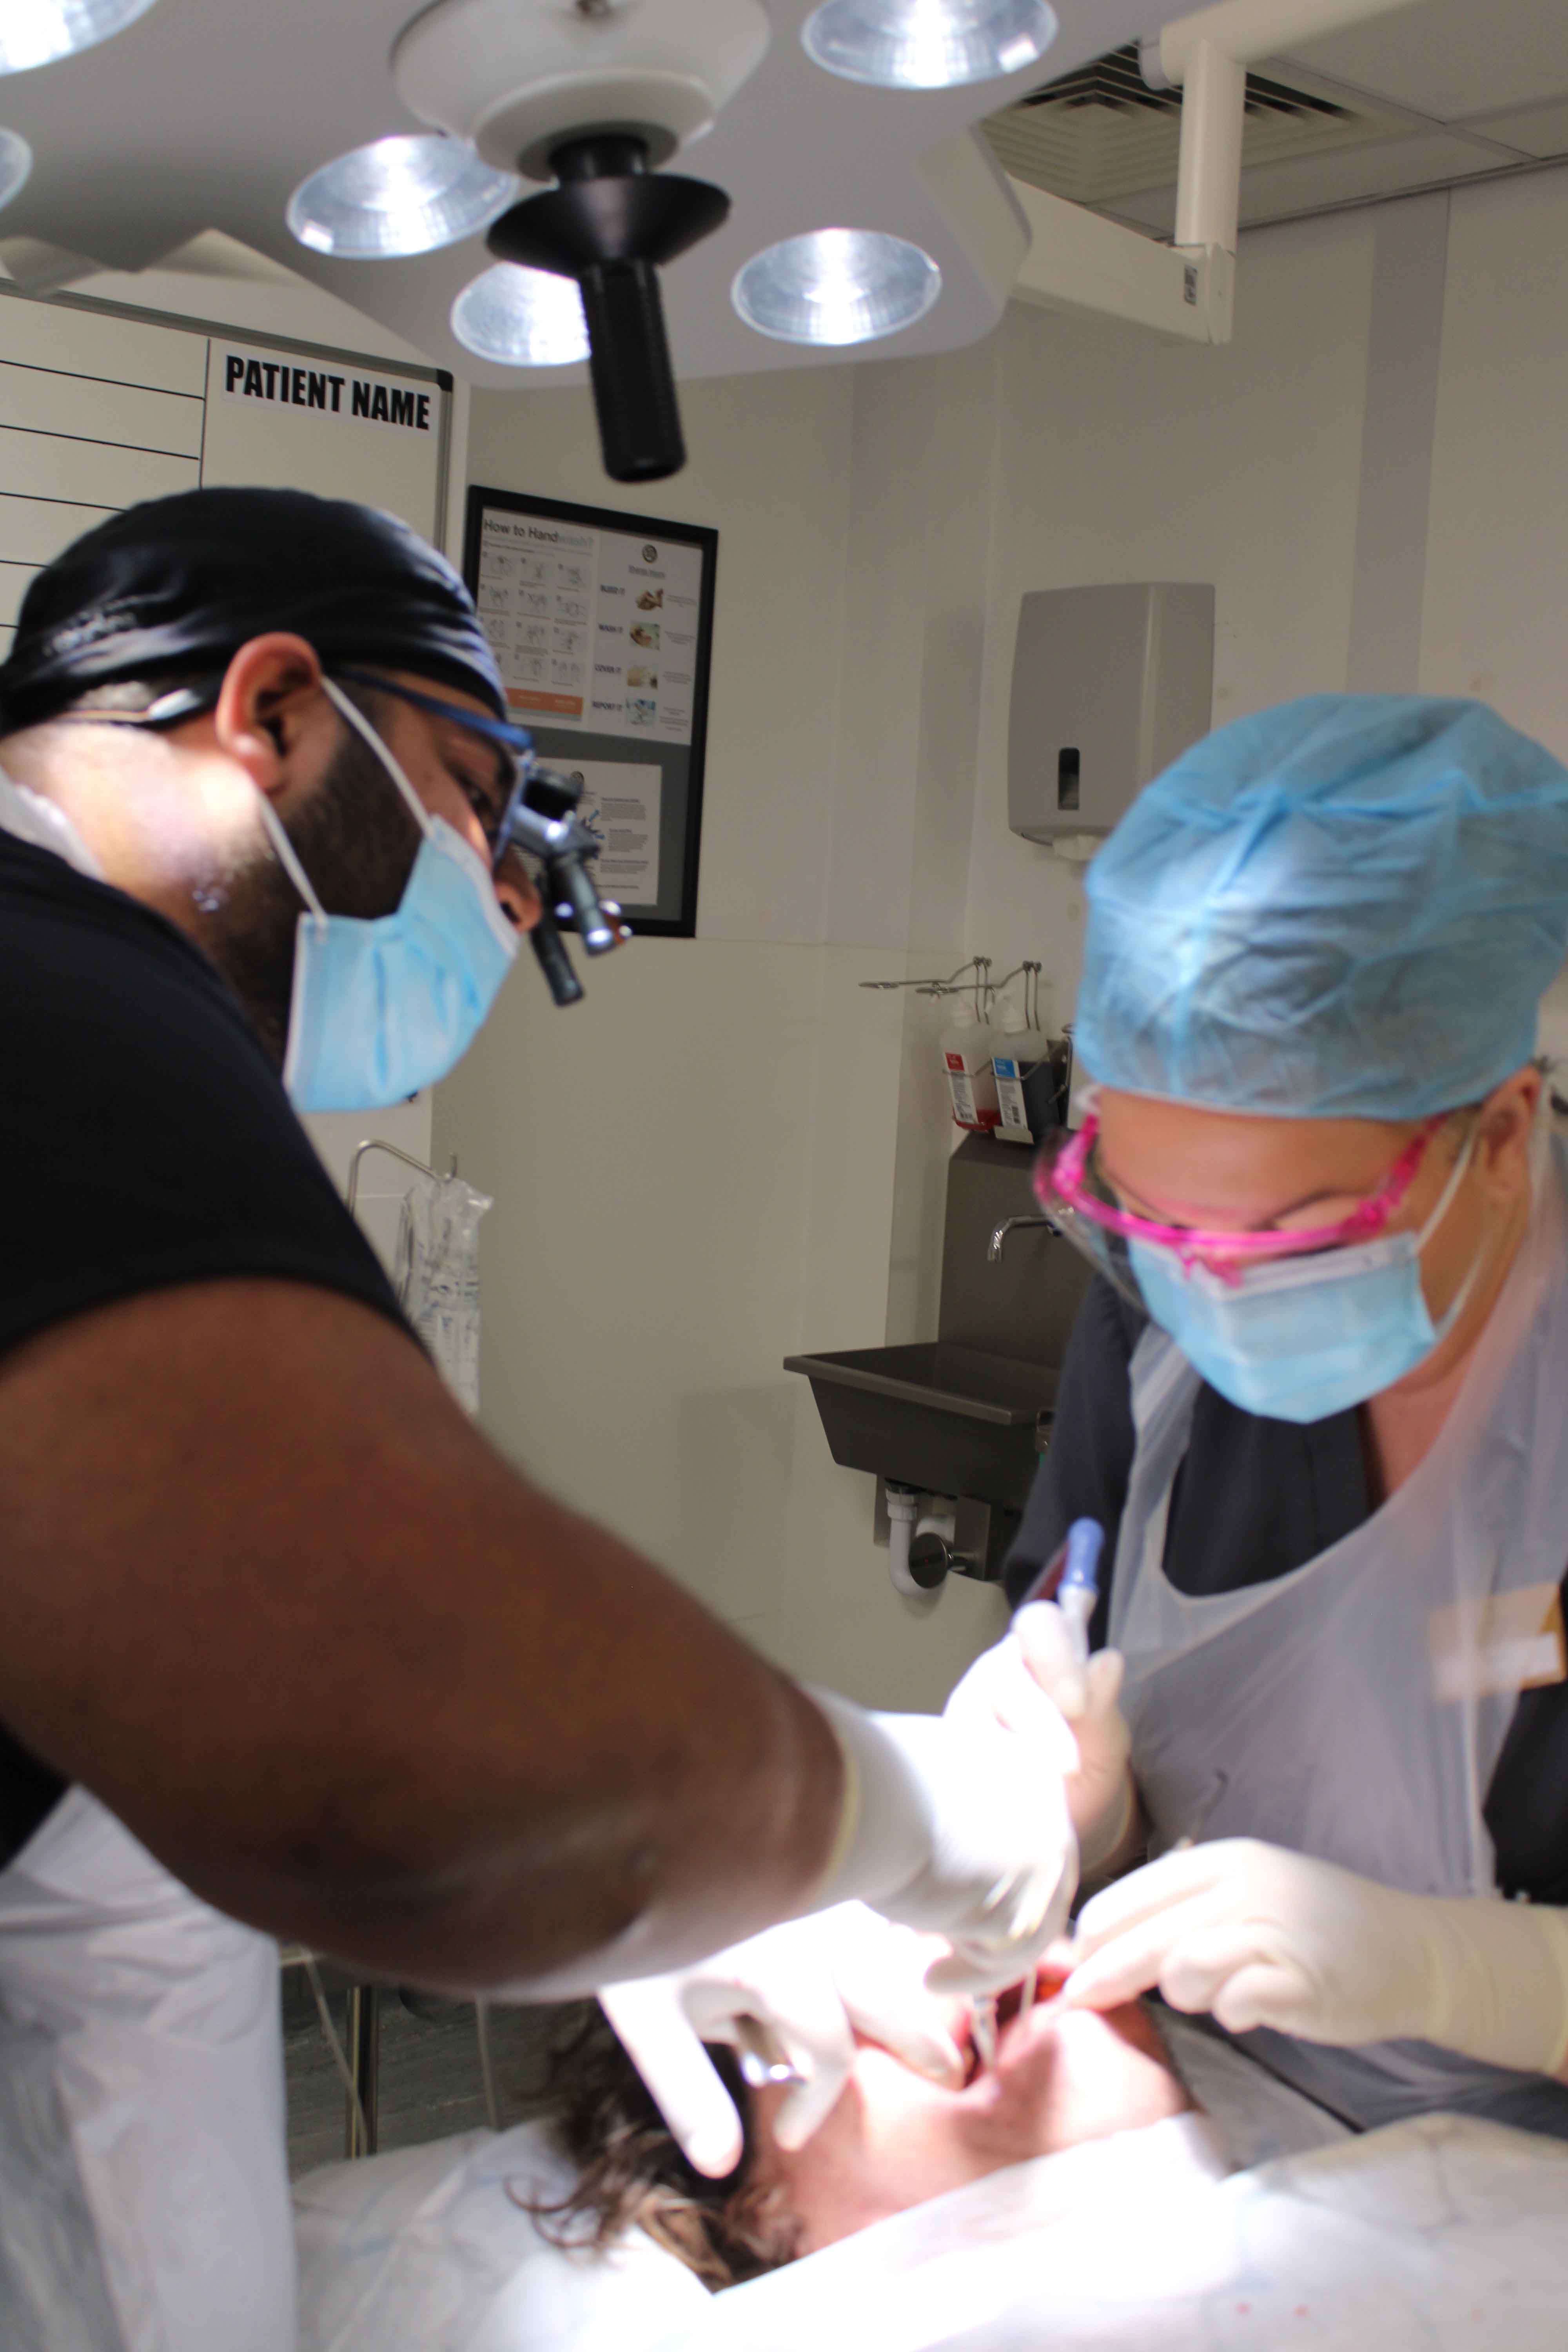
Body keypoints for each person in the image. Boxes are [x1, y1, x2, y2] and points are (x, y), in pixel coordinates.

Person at [0, 488, 1077, 2349]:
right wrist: (907, 1817)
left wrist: (627, 1879)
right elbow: (409, 1733)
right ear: (269, 708)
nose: (500, 896)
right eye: (471, 795)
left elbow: (138, 1813)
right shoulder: (68, 1000)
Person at [958, 694, 1568, 2141]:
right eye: (1159, 1227)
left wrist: (1460, 1972)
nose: (1214, 1300)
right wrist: (1078, 1812)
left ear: (1499, 1133)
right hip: (1224, 2138)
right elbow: (1083, 1646)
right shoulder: (1158, 1326)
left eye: (1293, 1240)